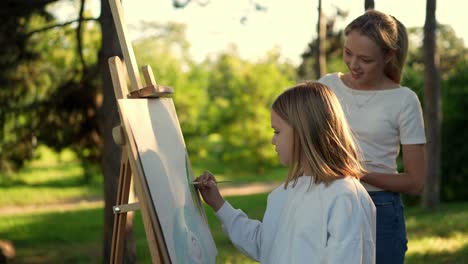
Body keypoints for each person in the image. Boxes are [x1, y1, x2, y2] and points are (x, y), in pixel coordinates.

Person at [195, 82, 376, 264]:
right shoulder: (285, 193)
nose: (273, 140)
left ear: (304, 131)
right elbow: (263, 244)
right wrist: (218, 204)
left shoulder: (344, 196)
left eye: (277, 131)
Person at [318, 10, 426, 264]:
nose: (354, 65)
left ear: (388, 55)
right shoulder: (326, 87)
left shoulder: (404, 100)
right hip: (327, 202)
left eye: (365, 59)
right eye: (348, 53)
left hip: (381, 210)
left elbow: (415, 182)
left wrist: (356, 173)